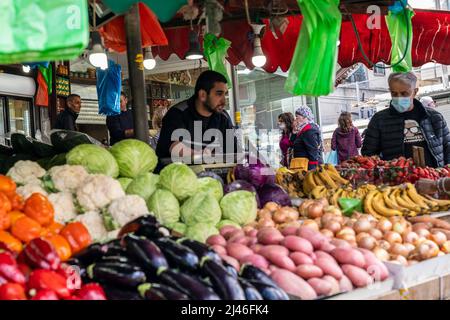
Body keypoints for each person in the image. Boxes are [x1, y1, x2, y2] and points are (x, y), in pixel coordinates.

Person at [362, 72, 450, 168]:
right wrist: (387, 170)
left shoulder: (435, 117)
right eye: (394, 93)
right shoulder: (379, 120)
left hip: (433, 178)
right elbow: (368, 154)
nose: (399, 97)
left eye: (404, 93)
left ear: (415, 92)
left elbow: (447, 147)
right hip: (397, 180)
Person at [156, 70, 236, 169]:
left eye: (225, 94)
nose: (224, 101)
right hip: (177, 177)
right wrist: (200, 155)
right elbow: (175, 147)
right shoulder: (178, 113)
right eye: (219, 94)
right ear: (202, 95)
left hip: (211, 178)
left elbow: (233, 151)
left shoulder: (223, 117)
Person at [290, 106, 323, 170]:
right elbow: (292, 144)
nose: (295, 119)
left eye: (297, 116)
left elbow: (313, 151)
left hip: (307, 167)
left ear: (304, 117)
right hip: (302, 165)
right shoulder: (302, 130)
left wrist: (311, 171)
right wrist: (294, 132)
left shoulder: (309, 130)